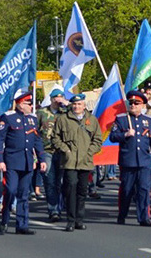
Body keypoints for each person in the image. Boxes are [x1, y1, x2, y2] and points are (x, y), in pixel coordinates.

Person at [0, 89, 46, 235]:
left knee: (24, 194)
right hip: (11, 161)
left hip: (27, 161)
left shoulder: (33, 119)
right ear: (20, 104)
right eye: (28, 103)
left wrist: (41, 158)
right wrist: (0, 160)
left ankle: (22, 225)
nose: (31, 106)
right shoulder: (8, 117)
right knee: (10, 190)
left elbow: (37, 140)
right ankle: (5, 219)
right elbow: (0, 140)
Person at [111, 91, 151, 227]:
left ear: (142, 105)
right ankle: (122, 213)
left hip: (144, 161)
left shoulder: (148, 120)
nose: (133, 105)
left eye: (136, 103)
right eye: (131, 103)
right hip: (128, 161)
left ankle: (143, 217)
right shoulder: (121, 118)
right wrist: (125, 134)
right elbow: (113, 136)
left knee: (144, 189)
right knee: (127, 190)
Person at [52, 93, 102, 232]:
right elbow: (55, 138)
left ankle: (79, 220)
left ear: (84, 106)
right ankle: (70, 220)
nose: (76, 106)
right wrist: (66, 150)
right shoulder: (63, 119)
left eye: (79, 104)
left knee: (82, 191)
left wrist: (90, 151)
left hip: (85, 161)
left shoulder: (92, 120)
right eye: (74, 104)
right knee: (70, 189)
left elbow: (98, 140)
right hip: (70, 161)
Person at [36, 88, 67, 222]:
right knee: (50, 181)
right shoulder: (42, 112)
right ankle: (53, 210)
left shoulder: (65, 112)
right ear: (51, 99)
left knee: (60, 182)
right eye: (55, 98)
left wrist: (67, 104)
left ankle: (60, 207)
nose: (58, 100)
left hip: (62, 151)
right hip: (46, 150)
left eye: (60, 97)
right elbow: (35, 131)